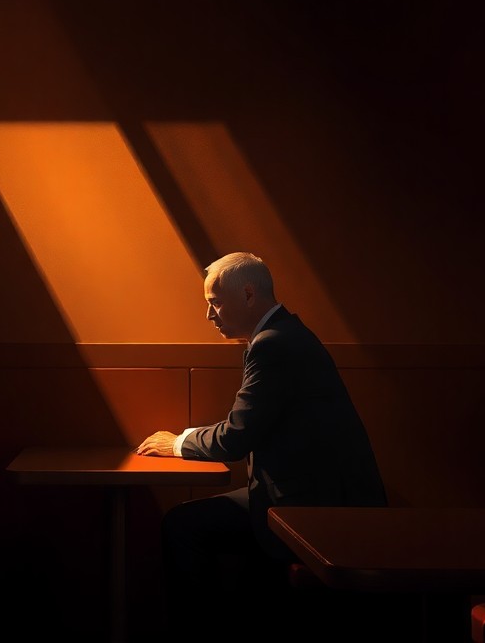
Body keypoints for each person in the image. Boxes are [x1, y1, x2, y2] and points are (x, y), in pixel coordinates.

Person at [135, 251, 388, 633]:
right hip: (308, 492)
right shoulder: (285, 334)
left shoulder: (274, 344)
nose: (209, 316)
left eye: (214, 303)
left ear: (249, 295)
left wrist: (178, 442)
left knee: (182, 526)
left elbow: (236, 437)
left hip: (314, 506)